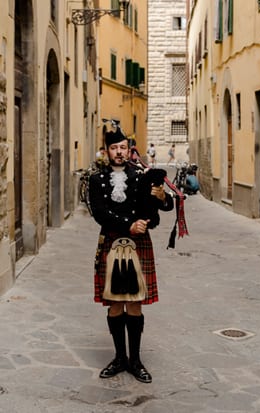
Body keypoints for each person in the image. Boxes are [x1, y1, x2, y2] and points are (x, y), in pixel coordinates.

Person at [90, 126, 173, 384]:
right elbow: (99, 213)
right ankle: (119, 358)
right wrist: (129, 225)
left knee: (135, 302)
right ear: (107, 151)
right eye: (113, 148)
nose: (118, 152)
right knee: (115, 303)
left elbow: (167, 204)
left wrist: (161, 196)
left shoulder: (140, 175)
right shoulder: (96, 179)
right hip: (112, 242)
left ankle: (135, 361)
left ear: (129, 149)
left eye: (122, 147)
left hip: (139, 245)